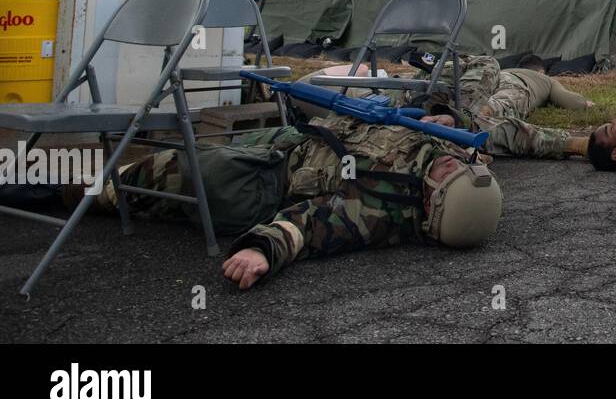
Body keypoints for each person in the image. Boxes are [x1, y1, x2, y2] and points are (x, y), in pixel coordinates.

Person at [90, 81, 503, 290]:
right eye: (461, 166)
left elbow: (312, 225)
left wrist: (263, 248)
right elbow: (487, 136)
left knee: (187, 172)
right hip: (293, 140)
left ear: (433, 203)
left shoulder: (381, 212)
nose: (453, 164)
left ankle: (85, 194)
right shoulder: (449, 152)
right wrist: (451, 120)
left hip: (267, 180)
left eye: (449, 175)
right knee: (198, 150)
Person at [416, 53, 591, 160]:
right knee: (497, 106)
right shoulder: (545, 79)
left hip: (493, 80)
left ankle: (448, 121)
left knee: (471, 100)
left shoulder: (505, 70)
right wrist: (586, 103)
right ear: (541, 71)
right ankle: (460, 129)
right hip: (517, 87)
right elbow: (571, 102)